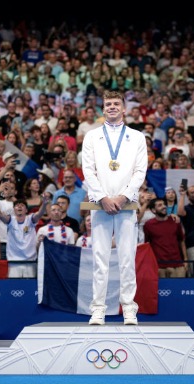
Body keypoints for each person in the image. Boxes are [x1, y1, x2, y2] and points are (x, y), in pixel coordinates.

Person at [81, 90, 147, 326]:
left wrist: (123, 197)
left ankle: (129, 308)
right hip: (100, 206)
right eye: (107, 104)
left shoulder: (137, 137)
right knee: (100, 259)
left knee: (127, 258)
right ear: (103, 108)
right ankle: (98, 309)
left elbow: (140, 171)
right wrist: (102, 197)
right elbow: (88, 170)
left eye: (115, 104)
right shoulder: (91, 136)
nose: (111, 107)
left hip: (126, 205)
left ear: (124, 108)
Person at [0, 188, 49, 278]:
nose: (19, 206)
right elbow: (0, 215)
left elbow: (39, 214)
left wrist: (44, 204)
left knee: (29, 289)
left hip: (30, 261)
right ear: (14, 210)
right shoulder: (10, 220)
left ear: (26, 210)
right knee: (13, 288)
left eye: (22, 205)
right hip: (14, 262)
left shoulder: (31, 219)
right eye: (17, 205)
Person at [143, 198, 187, 277]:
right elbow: (147, 244)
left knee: (179, 288)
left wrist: (186, 260)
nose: (164, 206)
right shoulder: (148, 225)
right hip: (159, 266)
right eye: (160, 205)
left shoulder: (175, 221)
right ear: (153, 210)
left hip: (177, 264)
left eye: (164, 204)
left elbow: (181, 240)